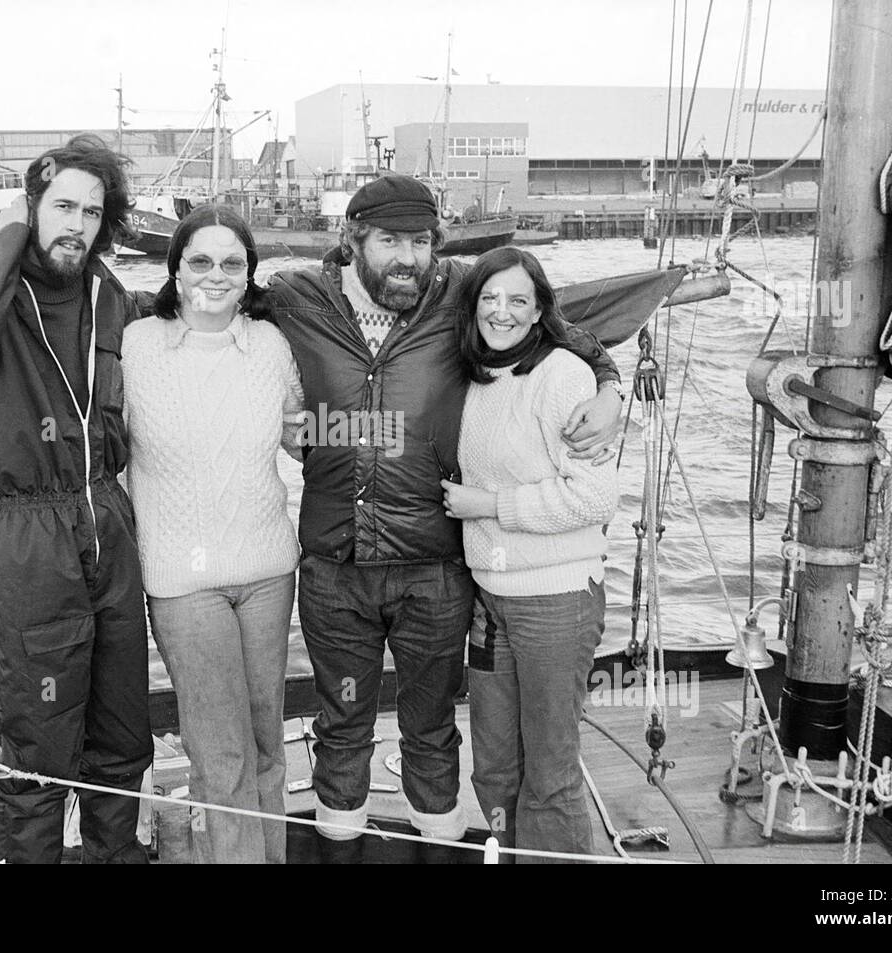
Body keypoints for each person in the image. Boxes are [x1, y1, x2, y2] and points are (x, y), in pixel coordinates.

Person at [264, 174, 624, 862]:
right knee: (342, 726)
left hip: (435, 569)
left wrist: (607, 383)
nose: (407, 256)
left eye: (421, 241)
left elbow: (554, 325)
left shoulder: (464, 290)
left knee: (431, 729)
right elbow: (198, 307)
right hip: (334, 568)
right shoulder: (297, 297)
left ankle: (446, 848)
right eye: (390, 240)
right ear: (351, 239)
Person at [0, 134, 152, 864]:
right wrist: (7, 231)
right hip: (27, 539)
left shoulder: (108, 293)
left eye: (93, 211)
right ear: (30, 207)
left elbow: (111, 410)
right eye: (62, 206)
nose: (78, 224)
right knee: (40, 751)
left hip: (105, 521)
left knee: (121, 739)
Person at [122, 205, 303, 863]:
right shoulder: (138, 344)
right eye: (201, 259)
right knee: (220, 753)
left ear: (250, 273)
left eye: (232, 262)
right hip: (181, 580)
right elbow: (92, 442)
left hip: (267, 573)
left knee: (266, 745)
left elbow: (303, 434)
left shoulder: (271, 346)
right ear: (175, 268)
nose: (216, 274)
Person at [442, 247, 618, 862]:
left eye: (518, 299)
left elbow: (593, 498)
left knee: (550, 772)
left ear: (540, 308)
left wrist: (489, 504)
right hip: (491, 602)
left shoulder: (564, 375)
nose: (502, 311)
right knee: (493, 769)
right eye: (490, 298)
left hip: (555, 602)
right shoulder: (476, 377)